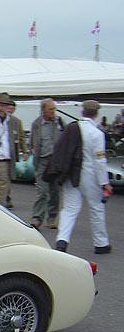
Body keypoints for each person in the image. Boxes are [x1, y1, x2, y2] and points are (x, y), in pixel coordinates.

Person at [49, 101, 112, 254]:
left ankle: (62, 240)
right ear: (96, 114)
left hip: (71, 173)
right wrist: (104, 182)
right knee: (96, 207)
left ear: (82, 112)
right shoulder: (97, 134)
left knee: (70, 208)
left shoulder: (71, 128)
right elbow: (100, 160)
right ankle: (101, 243)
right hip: (89, 174)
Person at [29, 98, 63, 229]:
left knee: (55, 191)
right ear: (43, 110)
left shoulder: (59, 122)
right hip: (42, 161)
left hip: (55, 162)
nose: (53, 111)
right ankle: (36, 218)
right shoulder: (36, 124)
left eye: (54, 109)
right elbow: (32, 142)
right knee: (42, 191)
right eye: (50, 109)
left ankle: (52, 217)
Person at [4, 101, 28, 209]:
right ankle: (4, 197)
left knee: (9, 176)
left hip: (12, 154)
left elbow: (22, 137)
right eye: (8, 108)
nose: (9, 110)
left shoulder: (17, 122)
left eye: (11, 109)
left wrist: (25, 151)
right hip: (1, 154)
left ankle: (7, 197)